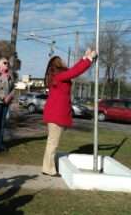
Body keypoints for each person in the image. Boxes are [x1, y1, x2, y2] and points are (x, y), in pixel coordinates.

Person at [42, 48, 97, 177]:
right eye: (61, 61)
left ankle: (47, 167)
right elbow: (75, 71)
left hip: (53, 114)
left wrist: (84, 58)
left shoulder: (58, 76)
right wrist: (89, 59)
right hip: (56, 115)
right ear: (58, 64)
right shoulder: (60, 76)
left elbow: (73, 70)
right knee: (53, 143)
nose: (64, 62)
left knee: (52, 142)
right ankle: (48, 169)